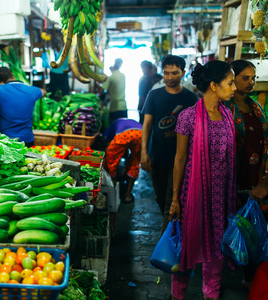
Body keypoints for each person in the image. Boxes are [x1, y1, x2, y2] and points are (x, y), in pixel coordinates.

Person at [169, 60, 237, 300]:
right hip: (193, 194)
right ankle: (178, 294)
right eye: (230, 83)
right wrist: (175, 199)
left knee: (217, 248)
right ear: (214, 85)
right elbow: (179, 160)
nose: (234, 88)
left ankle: (211, 293)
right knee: (188, 244)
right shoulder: (188, 117)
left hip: (221, 196)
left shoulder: (227, 115)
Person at [140, 55, 198, 233]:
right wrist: (144, 152)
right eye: (166, 73)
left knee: (171, 202)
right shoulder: (154, 95)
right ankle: (172, 230)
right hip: (158, 155)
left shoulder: (191, 98)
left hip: (181, 160)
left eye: (174, 73)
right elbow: (147, 124)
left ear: (183, 73)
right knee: (159, 196)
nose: (170, 77)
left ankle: (166, 246)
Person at [224, 60, 268, 205]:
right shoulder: (224, 108)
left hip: (257, 177)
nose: (251, 82)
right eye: (245, 78)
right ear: (232, 78)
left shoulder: (255, 107)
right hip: (233, 177)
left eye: (253, 78)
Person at [0, 67, 46, 147]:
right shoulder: (32, 91)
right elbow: (44, 92)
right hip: (27, 140)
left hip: (8, 142)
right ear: (12, 75)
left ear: (1, 82)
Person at [104, 118, 142, 203]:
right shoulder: (131, 121)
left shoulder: (114, 124)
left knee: (111, 160)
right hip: (141, 134)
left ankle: (114, 192)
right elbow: (129, 154)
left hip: (124, 134)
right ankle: (128, 196)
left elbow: (107, 138)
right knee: (135, 161)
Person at [102, 58, 126, 124]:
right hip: (123, 106)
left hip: (114, 107)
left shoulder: (111, 77)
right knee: (123, 129)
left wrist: (96, 83)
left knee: (114, 130)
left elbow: (102, 89)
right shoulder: (123, 76)